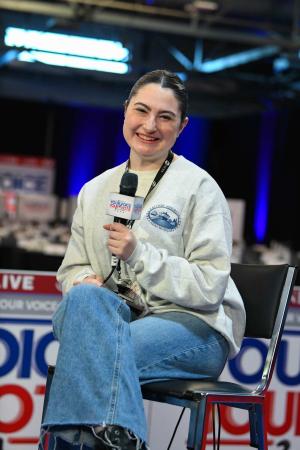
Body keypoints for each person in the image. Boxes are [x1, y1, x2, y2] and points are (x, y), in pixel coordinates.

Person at [39, 69, 246, 450]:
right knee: (84, 304)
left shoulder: (199, 188)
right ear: (125, 113)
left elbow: (209, 287)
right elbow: (71, 268)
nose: (150, 125)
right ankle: (119, 439)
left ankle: (75, 444)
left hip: (193, 326)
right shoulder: (94, 189)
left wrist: (140, 254)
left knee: (91, 354)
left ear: (182, 127)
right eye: (142, 111)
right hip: (120, 318)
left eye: (165, 117)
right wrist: (81, 280)